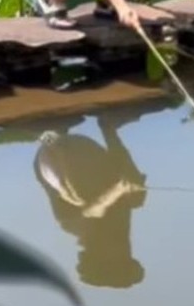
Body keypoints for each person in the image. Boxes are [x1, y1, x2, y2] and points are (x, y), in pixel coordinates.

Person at [34, 113, 147, 289]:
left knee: (78, 195)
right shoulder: (119, 226)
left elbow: (91, 211)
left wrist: (119, 190)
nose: (124, 252)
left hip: (52, 155)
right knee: (136, 199)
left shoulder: (72, 225)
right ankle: (108, 128)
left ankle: (51, 133)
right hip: (90, 156)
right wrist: (132, 186)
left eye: (120, 259)